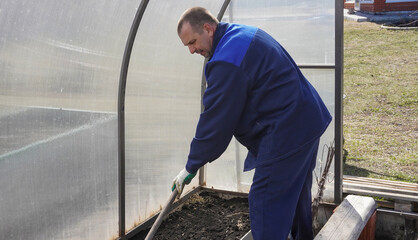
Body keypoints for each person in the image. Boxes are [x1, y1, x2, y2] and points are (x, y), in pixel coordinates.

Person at [171, 7, 331, 240]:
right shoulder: (242, 34)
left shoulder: (227, 58)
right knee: (295, 197)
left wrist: (191, 165)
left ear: (208, 28)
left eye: (193, 42)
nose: (192, 50)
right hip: (305, 121)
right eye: (187, 46)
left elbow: (216, 119)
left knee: (266, 203)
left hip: (286, 131)